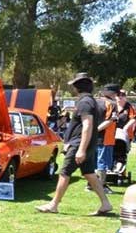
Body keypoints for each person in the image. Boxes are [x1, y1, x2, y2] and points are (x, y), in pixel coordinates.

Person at [36, 73, 113, 215]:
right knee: (89, 174)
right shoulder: (89, 101)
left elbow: (87, 125)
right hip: (84, 144)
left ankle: (53, 204)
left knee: (65, 172)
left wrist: (81, 149)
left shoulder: (85, 102)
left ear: (77, 87)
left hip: (79, 144)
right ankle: (106, 204)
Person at [91, 84, 118, 193]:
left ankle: (90, 184)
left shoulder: (95, 102)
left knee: (93, 161)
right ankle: (101, 186)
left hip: (93, 138)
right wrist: (96, 130)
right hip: (105, 138)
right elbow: (110, 120)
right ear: (113, 93)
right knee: (102, 162)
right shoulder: (112, 104)